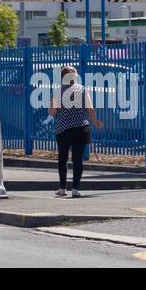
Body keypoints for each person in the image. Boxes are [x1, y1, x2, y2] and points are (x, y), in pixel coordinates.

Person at [49, 65, 101, 198]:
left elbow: (52, 112)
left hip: (63, 129)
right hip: (80, 128)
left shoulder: (57, 91)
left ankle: (62, 188)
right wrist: (95, 121)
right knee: (78, 159)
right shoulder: (82, 90)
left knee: (63, 158)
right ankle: (75, 189)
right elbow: (90, 109)